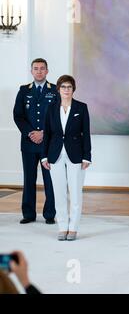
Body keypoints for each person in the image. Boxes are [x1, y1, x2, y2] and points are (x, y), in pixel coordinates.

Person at [41, 75, 91, 241]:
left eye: (69, 87)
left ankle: (73, 228)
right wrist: (44, 156)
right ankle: (62, 226)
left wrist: (87, 157)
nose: (66, 90)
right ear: (58, 89)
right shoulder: (51, 108)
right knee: (59, 192)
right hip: (54, 154)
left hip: (76, 154)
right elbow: (46, 133)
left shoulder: (81, 108)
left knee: (76, 192)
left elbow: (86, 134)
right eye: (63, 87)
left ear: (73, 89)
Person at [13, 58, 57, 225]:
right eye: (36, 68)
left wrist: (44, 133)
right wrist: (31, 132)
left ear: (47, 71)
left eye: (42, 68)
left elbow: (57, 116)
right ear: (31, 71)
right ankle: (29, 214)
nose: (39, 71)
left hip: (49, 143)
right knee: (29, 179)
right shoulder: (24, 91)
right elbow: (18, 116)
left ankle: (50, 214)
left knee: (50, 180)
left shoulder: (55, 90)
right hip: (29, 142)